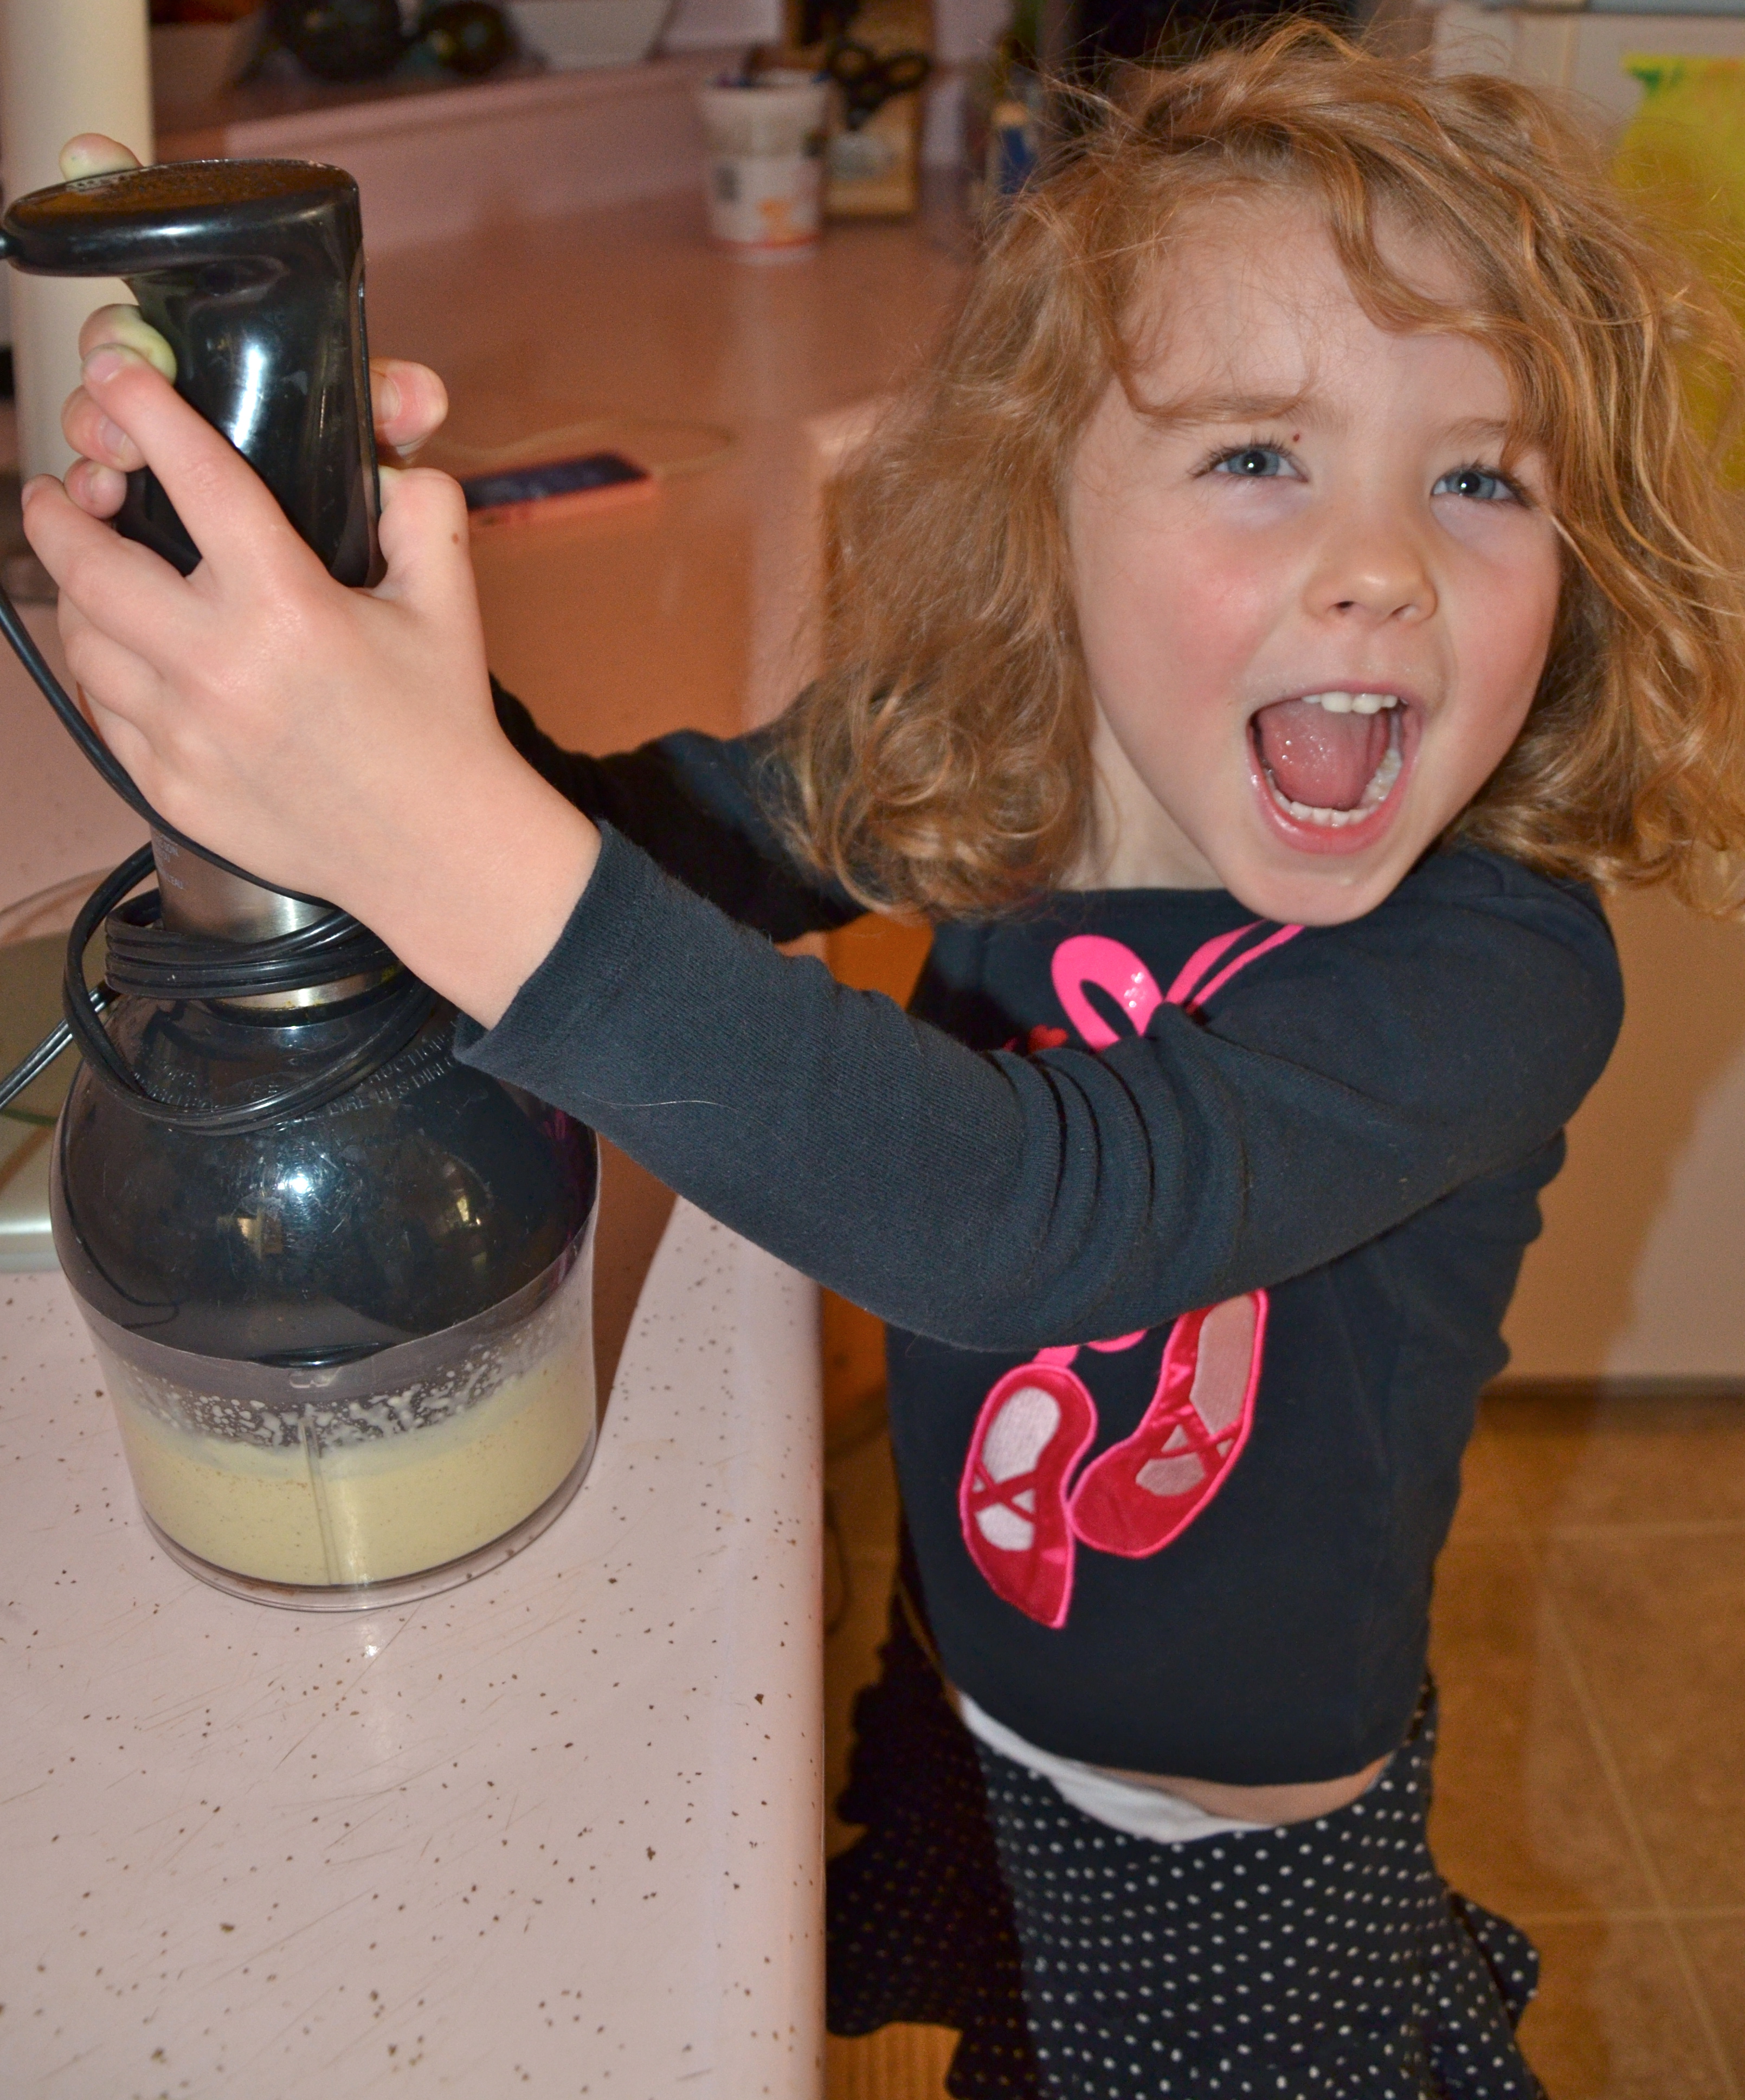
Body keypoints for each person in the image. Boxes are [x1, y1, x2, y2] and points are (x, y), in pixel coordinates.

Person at [28, 29, 1745, 2096]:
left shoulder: (1494, 968)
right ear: (1051, 503)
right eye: (1255, 454)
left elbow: (1014, 1218)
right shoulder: (991, 764)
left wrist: (414, 817)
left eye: (1479, 477)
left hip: (1230, 1865)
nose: (1380, 560)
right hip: (969, 1686)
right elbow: (615, 845)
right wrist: (339, 595)